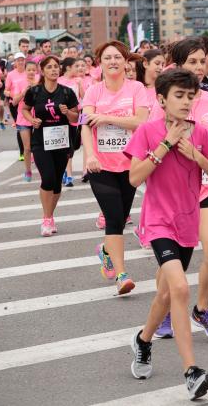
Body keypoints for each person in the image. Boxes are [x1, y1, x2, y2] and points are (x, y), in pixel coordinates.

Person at [126, 68, 208, 400]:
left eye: (189, 96)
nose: (185, 102)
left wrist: (196, 156)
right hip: (157, 223)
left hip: (187, 224)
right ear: (162, 100)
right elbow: (134, 178)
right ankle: (192, 371)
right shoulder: (149, 131)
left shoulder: (203, 135)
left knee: (167, 295)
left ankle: (142, 340)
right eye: (178, 96)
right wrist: (165, 145)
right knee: (180, 288)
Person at [151, 37, 208, 340]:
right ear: (178, 66)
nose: (199, 68)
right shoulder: (163, 99)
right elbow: (151, 138)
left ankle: (201, 309)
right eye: (192, 62)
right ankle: (164, 313)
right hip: (172, 190)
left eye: (202, 61)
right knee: (173, 261)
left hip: (207, 185)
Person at [81, 41, 149, 295]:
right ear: (100, 62)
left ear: (125, 61)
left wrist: (108, 117)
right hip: (101, 166)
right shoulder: (93, 92)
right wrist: (89, 156)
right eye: (107, 57)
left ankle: (106, 250)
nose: (112, 62)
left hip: (130, 165)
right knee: (113, 218)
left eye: (117, 57)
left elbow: (141, 123)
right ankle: (122, 275)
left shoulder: (137, 88)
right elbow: (86, 125)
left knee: (120, 217)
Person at [21, 56, 79, 235]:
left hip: (62, 141)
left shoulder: (67, 92)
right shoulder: (35, 91)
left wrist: (67, 112)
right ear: (43, 71)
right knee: (47, 178)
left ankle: (50, 216)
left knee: (57, 183)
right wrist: (32, 120)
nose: (54, 70)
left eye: (56, 67)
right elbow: (24, 109)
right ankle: (46, 218)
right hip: (41, 141)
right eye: (50, 67)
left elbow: (77, 117)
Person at [58, 57, 89, 187]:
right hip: (64, 116)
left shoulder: (81, 80)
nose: (79, 69)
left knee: (84, 141)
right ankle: (68, 175)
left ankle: (85, 171)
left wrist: (80, 84)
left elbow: (85, 98)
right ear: (68, 67)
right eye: (77, 66)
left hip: (82, 114)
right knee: (68, 146)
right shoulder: (59, 80)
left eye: (81, 66)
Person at [13, 61, 40, 181]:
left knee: (39, 147)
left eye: (33, 70)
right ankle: (28, 171)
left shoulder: (40, 83)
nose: (31, 72)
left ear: (37, 71)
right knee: (27, 148)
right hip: (23, 118)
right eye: (29, 70)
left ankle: (42, 169)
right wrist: (24, 91)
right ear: (25, 70)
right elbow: (14, 102)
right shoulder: (20, 83)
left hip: (38, 117)